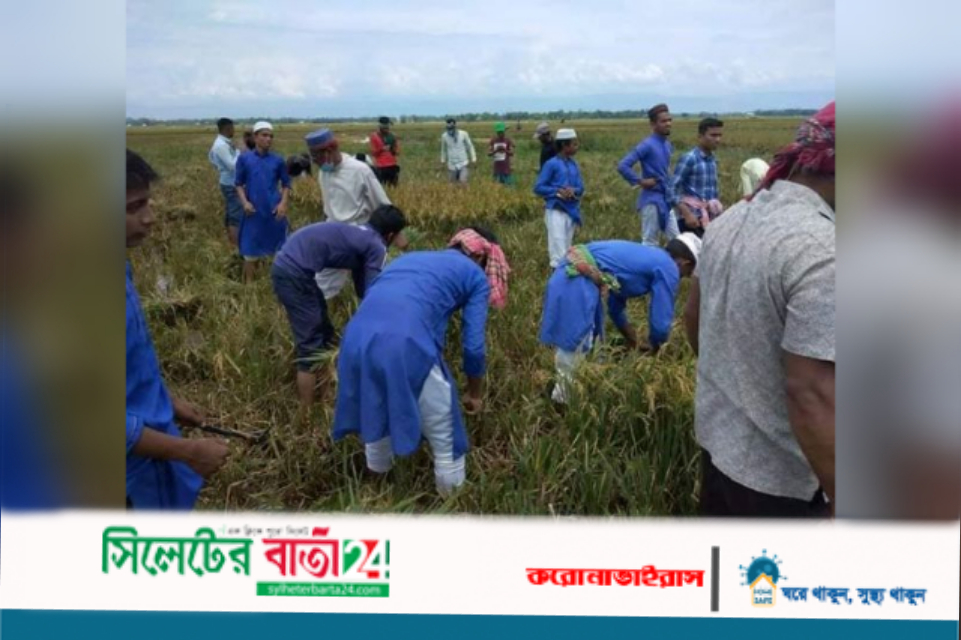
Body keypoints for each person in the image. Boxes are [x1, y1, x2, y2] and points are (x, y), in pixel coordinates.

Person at [683, 102, 836, 518]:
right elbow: (812, 394)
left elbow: (693, 323)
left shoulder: (732, 219)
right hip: (787, 484)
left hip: (719, 455)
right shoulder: (824, 251)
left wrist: (743, 388)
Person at [331, 227, 511, 496]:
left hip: (355, 340)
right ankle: (451, 506)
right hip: (404, 343)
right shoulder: (474, 274)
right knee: (445, 434)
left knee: (375, 405)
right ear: (481, 258)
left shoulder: (407, 259)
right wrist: (475, 394)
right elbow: (473, 346)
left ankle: (376, 495)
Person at [126, 149, 229, 509]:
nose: (150, 218)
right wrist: (186, 450)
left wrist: (166, 401)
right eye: (133, 208)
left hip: (147, 450)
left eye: (147, 203)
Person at [272, 206, 408, 413]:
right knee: (310, 343)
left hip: (290, 266)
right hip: (294, 274)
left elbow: (362, 286)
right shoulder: (376, 245)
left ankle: (324, 396)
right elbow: (374, 292)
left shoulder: (359, 234)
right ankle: (306, 414)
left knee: (325, 332)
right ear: (390, 235)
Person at [540, 235, 700, 404]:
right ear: (684, 263)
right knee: (575, 345)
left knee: (589, 346)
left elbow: (615, 306)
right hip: (577, 280)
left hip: (571, 276)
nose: (681, 277)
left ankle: (576, 394)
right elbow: (661, 317)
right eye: (686, 274)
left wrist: (632, 338)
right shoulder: (668, 267)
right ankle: (562, 405)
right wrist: (658, 348)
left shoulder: (649, 257)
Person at [304, 128, 396, 299]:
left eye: (317, 157)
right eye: (313, 158)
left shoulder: (359, 170)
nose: (316, 162)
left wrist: (396, 234)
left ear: (329, 150)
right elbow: (329, 206)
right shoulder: (324, 172)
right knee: (322, 286)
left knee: (368, 287)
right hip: (333, 236)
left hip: (359, 236)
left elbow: (382, 203)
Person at [234, 121, 291, 283]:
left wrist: (283, 204)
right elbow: (238, 184)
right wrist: (245, 202)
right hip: (253, 211)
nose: (268, 139)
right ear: (256, 137)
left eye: (271, 136)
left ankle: (277, 284)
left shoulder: (278, 160)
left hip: (274, 211)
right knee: (250, 252)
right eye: (264, 135)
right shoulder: (244, 159)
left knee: (279, 250)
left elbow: (286, 184)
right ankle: (249, 288)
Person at [617, 104, 679, 246]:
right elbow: (623, 165)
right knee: (650, 241)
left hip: (666, 198)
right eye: (663, 121)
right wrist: (640, 181)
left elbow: (665, 169)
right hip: (651, 200)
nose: (668, 124)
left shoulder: (667, 145)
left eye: (669, 120)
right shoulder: (647, 145)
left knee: (676, 239)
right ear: (653, 124)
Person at [534, 128, 584, 269]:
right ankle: (558, 276)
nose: (576, 147)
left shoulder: (573, 164)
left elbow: (581, 187)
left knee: (567, 246)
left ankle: (566, 275)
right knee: (558, 246)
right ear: (564, 146)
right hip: (556, 210)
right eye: (574, 144)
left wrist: (573, 191)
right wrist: (558, 192)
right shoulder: (551, 164)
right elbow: (538, 187)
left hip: (571, 210)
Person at [672, 117, 724, 237]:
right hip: (691, 221)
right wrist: (686, 213)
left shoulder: (712, 160)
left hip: (709, 219)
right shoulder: (689, 158)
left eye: (719, 135)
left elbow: (713, 192)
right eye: (713, 135)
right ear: (700, 136)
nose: (717, 139)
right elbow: (671, 190)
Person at [208, 117, 243, 248]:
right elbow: (233, 166)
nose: (234, 130)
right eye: (232, 128)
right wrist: (239, 151)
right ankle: (235, 244)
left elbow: (211, 158)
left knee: (231, 211)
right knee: (235, 214)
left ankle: (231, 241)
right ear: (227, 128)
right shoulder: (221, 145)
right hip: (230, 184)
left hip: (228, 181)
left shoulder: (222, 143)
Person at [440, 118, 477, 185]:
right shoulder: (444, 136)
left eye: (451, 128)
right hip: (451, 164)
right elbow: (443, 150)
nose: (450, 130)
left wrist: (473, 158)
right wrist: (443, 160)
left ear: (455, 126)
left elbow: (470, 146)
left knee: (463, 181)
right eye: (448, 128)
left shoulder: (463, 134)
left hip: (463, 162)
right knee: (452, 184)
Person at [369, 116, 400, 187]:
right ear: (380, 127)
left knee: (394, 187)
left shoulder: (393, 136)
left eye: (388, 127)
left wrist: (393, 149)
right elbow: (373, 153)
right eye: (385, 127)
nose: (387, 129)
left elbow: (397, 152)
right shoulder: (374, 136)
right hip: (380, 166)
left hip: (392, 165)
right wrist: (382, 149)